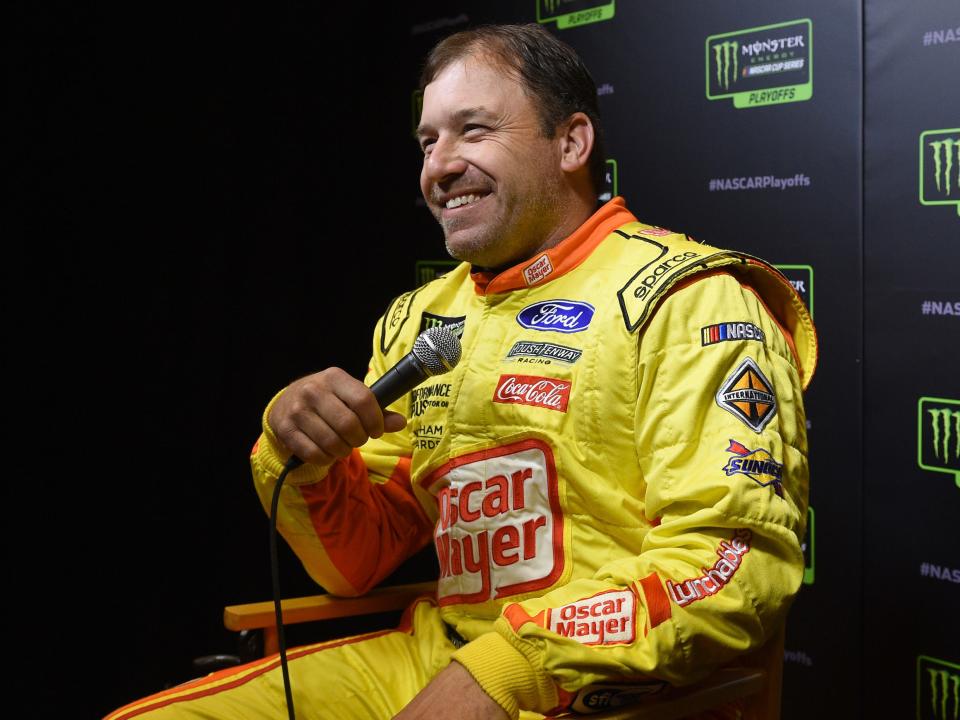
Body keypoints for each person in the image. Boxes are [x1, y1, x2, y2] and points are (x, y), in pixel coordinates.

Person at [108, 23, 816, 720]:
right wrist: (303, 455)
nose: (438, 166)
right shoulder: (420, 316)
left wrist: (504, 671)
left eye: (473, 131)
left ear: (570, 143)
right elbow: (354, 561)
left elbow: (730, 565)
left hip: (603, 692)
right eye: (428, 140)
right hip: (433, 658)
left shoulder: (690, 299)